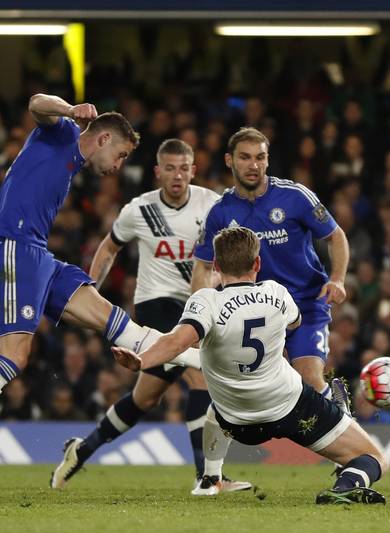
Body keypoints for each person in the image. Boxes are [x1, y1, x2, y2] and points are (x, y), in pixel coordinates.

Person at [0, 94, 202, 496]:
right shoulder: (61, 132)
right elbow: (35, 103)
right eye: (119, 155)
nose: (117, 167)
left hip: (39, 256)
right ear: (102, 139)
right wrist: (70, 110)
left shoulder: (65, 168)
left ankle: (205, 359)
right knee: (14, 355)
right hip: (15, 249)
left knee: (115, 321)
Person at [112, 226, 388, 504]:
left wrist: (141, 361)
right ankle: (346, 485)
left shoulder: (206, 301)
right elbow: (295, 323)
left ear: (217, 266)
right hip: (291, 408)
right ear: (257, 263)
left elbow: (177, 342)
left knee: (213, 406)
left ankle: (210, 477)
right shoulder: (277, 293)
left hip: (236, 421)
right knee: (374, 458)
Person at [51, 139, 250, 495]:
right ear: (158, 172)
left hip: (199, 304)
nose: (177, 175)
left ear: (194, 170)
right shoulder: (139, 210)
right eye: (170, 168)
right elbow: (110, 244)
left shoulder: (212, 204)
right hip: (156, 305)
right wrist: (91, 288)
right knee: (201, 379)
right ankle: (207, 478)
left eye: (183, 168)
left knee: (145, 398)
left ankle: (82, 450)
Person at [189, 127, 351, 487]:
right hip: (250, 313)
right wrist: (203, 311)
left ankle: (347, 448)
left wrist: (337, 279)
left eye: (260, 157)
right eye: (245, 157)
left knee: (310, 376)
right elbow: (202, 268)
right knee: (226, 386)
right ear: (229, 161)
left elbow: (335, 236)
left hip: (305, 306)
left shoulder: (295, 197)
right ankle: (211, 478)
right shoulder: (220, 213)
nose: (254, 165)